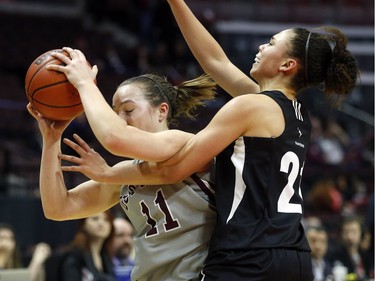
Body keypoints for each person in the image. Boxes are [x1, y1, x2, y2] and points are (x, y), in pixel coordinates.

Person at [43, 1, 359, 280]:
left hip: (248, 255)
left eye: (272, 43)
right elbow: (215, 63)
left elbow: (157, 163)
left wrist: (85, 84)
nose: (262, 46)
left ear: (288, 65)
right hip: (293, 253)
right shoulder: (291, 113)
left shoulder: (250, 106)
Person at [26, 73, 219, 281]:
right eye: (115, 113)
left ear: (162, 111)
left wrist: (83, 81)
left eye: (128, 110)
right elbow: (58, 207)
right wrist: (51, 139)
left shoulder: (184, 143)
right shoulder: (123, 173)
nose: (119, 120)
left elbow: (115, 139)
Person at [59, 211, 116, 281]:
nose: (101, 223)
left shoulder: (105, 255)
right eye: (95, 219)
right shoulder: (75, 255)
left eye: (106, 220)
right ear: (83, 224)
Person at [327, 216, 373, 281]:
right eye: (346, 232)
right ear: (341, 234)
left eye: (354, 232)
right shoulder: (334, 256)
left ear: (361, 233)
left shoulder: (367, 256)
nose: (350, 237)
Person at [112, 217, 134, 281]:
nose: (127, 241)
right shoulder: (100, 265)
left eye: (130, 235)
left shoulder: (137, 265)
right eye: (120, 235)